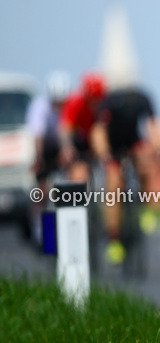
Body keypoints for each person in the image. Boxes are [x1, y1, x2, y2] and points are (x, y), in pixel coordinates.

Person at [91, 85, 160, 263]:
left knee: (144, 163)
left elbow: (154, 125)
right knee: (114, 183)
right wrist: (104, 154)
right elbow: (99, 130)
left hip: (133, 142)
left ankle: (144, 206)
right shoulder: (110, 100)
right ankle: (114, 238)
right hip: (114, 146)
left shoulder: (143, 98)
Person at [25, 71, 72, 244]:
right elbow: (37, 136)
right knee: (42, 189)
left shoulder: (70, 106)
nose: (59, 106)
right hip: (44, 147)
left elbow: (67, 132)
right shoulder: (40, 107)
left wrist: (67, 152)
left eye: (62, 102)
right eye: (56, 103)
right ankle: (40, 229)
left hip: (62, 144)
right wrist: (39, 160)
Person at [59, 71, 107, 183]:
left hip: (97, 142)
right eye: (91, 100)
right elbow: (65, 129)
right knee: (78, 173)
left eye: (97, 101)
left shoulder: (106, 104)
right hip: (79, 142)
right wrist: (67, 148)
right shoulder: (75, 102)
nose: (94, 104)